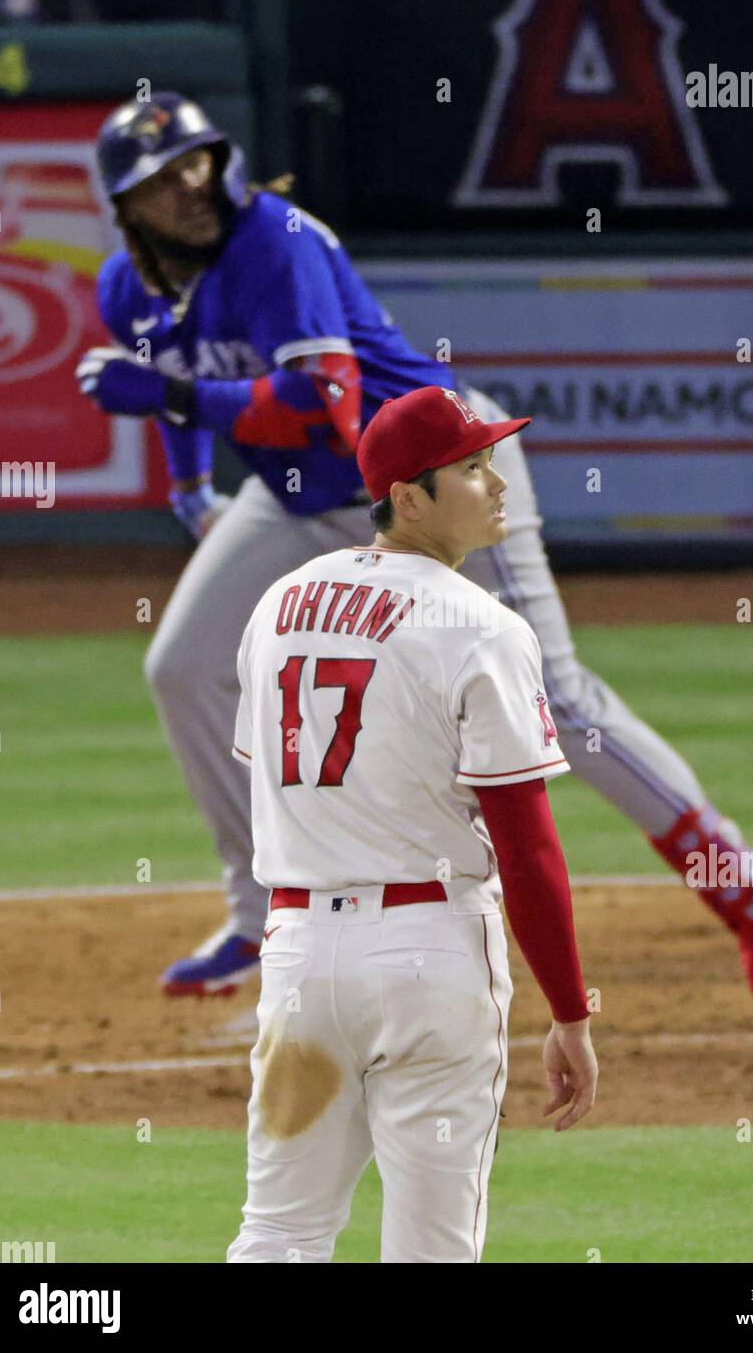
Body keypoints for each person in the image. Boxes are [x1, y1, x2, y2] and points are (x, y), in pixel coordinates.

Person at [77, 92, 753, 1029]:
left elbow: (328, 404)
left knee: (555, 702)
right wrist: (189, 486)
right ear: (126, 208)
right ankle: (262, 910)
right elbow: (169, 381)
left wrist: (181, 398)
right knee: (184, 666)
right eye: (158, 178)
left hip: (440, 477)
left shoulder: (279, 239)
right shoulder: (125, 287)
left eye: (195, 160)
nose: (188, 185)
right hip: (304, 495)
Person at [223, 385, 598, 1263]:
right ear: (407, 497)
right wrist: (571, 1012)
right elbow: (528, 843)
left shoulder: (278, 603)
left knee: (278, 1232)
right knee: (434, 1248)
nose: (498, 484)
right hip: (430, 964)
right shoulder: (483, 627)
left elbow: (277, 779)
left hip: (300, 961)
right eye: (471, 468)